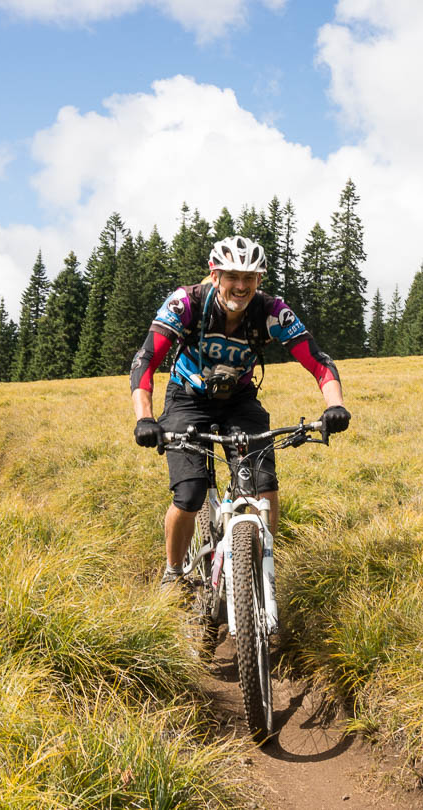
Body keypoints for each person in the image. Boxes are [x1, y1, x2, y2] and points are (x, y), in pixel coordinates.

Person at [129, 235, 351, 585]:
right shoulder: (186, 303)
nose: (241, 286)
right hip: (187, 398)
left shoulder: (272, 312)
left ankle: (262, 569)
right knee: (190, 494)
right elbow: (146, 358)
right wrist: (145, 418)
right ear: (214, 275)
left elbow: (319, 362)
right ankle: (173, 574)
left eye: (250, 278)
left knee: (263, 487)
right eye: (232, 276)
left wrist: (335, 405)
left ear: (259, 280)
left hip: (240, 400)